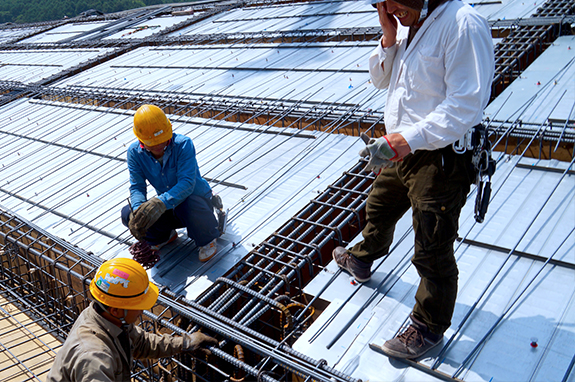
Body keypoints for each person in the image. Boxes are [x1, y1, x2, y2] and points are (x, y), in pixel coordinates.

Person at [332, 0, 494, 359]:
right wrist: (388, 36)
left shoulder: (462, 24)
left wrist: (404, 141)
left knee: (432, 246)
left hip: (439, 158)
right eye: (382, 2)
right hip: (402, 147)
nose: (391, 7)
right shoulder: (407, 23)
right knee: (378, 207)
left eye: (395, 0)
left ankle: (428, 327)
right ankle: (361, 257)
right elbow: (379, 79)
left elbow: (466, 105)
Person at [47, 258, 219, 381]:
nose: (142, 310)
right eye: (138, 305)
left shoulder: (106, 318)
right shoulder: (93, 357)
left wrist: (185, 343)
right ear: (116, 310)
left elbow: (142, 343)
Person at [121, 104, 221, 262]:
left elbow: (187, 183)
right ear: (140, 139)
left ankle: (207, 239)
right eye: (153, 144)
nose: (159, 145)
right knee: (129, 214)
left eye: (162, 140)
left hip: (193, 204)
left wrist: (159, 202)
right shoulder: (134, 153)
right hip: (170, 207)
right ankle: (163, 236)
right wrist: (138, 210)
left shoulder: (183, 145)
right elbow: (137, 187)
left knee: (190, 204)